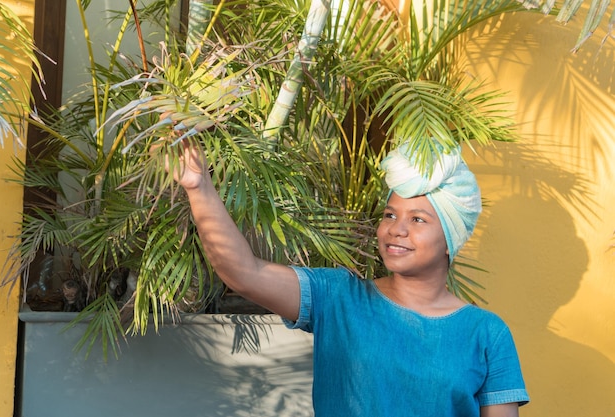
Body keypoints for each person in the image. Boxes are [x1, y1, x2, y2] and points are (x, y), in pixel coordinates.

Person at [163, 138, 530, 417]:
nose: (396, 230)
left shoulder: (487, 334)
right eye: (389, 215)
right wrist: (199, 187)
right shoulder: (338, 297)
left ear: (451, 238)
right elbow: (243, 272)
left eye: (417, 219)